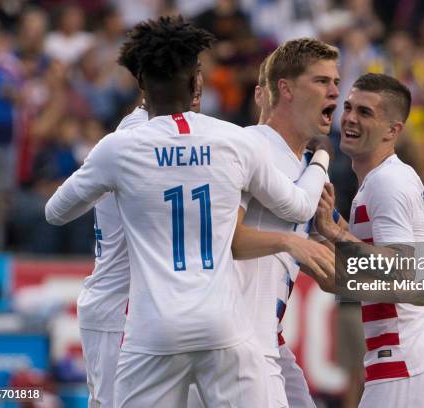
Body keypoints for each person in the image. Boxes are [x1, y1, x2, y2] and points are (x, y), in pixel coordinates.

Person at [45, 16, 332, 407]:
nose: (336, 94)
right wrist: (320, 163)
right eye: (323, 81)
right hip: (216, 327)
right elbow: (272, 219)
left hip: (152, 325)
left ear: (142, 82)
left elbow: (56, 211)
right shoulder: (236, 139)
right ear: (196, 81)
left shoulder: (120, 145)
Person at [314, 73, 424, 407]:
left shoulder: (386, 183)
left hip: (404, 359)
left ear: (393, 130)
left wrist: (337, 233)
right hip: (418, 359)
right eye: (348, 107)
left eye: (365, 112)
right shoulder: (389, 178)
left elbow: (399, 269)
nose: (349, 117)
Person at [230, 37, 340, 408]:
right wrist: (291, 243)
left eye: (336, 82)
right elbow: (228, 239)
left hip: (270, 339)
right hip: (237, 342)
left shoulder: (309, 169)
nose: (334, 92)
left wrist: (414, 275)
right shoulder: (251, 147)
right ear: (286, 89)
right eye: (322, 81)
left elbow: (332, 275)